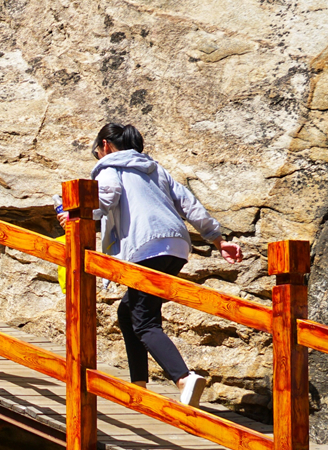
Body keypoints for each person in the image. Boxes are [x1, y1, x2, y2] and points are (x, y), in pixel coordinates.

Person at [74, 122, 242, 406]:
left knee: (145, 321)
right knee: (129, 311)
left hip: (146, 245)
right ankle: (139, 384)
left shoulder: (110, 167)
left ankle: (183, 378)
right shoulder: (155, 169)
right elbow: (188, 203)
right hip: (176, 246)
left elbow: (106, 197)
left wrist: (76, 213)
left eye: (97, 151)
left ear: (105, 145)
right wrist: (218, 240)